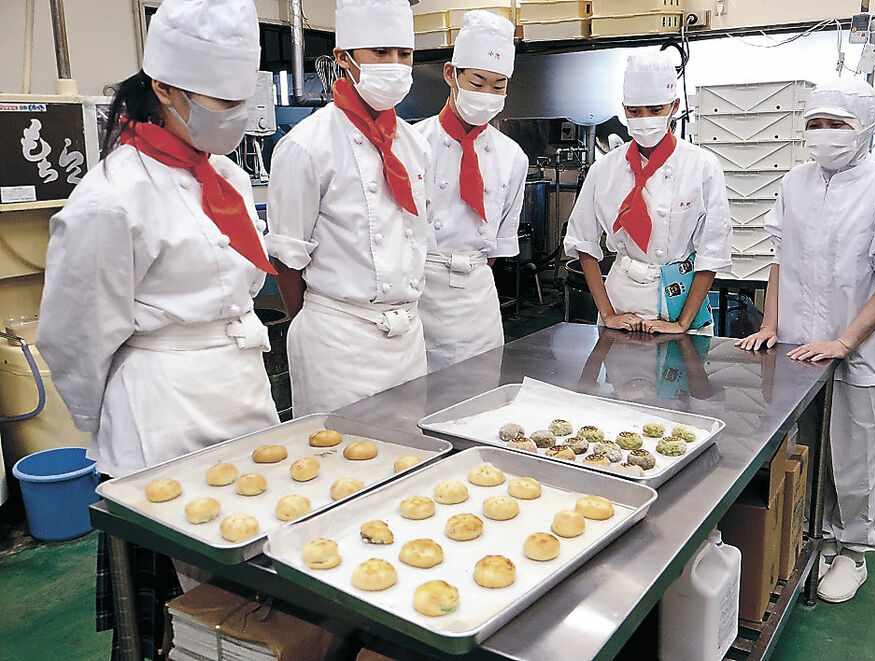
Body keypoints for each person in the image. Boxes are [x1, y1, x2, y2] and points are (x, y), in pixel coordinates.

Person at [36, 0, 279, 655]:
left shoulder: (224, 175)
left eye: (241, 96)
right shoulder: (112, 196)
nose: (233, 112)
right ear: (165, 87)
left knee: (255, 587)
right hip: (160, 416)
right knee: (181, 609)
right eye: (218, 98)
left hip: (243, 395)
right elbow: (72, 338)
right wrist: (108, 431)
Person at [737, 78, 875, 603]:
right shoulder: (795, 182)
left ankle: (853, 550)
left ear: (865, 127)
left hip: (860, 349)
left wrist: (845, 343)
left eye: (837, 125)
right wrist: (770, 325)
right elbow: (780, 257)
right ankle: (813, 534)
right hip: (799, 345)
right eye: (816, 125)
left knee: (854, 450)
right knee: (804, 443)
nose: (824, 136)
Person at [267, 0, 430, 415]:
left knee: (410, 458)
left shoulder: (414, 145)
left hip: (408, 336)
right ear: (344, 58)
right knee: (336, 462)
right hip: (338, 341)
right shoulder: (306, 146)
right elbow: (287, 259)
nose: (394, 65)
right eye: (380, 53)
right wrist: (324, 323)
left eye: (403, 54)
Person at [564, 51, 732, 335]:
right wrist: (607, 313)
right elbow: (583, 242)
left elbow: (711, 251)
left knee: (681, 378)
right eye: (634, 111)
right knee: (620, 377)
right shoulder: (603, 170)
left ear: (674, 106)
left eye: (655, 111)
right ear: (624, 109)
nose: (644, 120)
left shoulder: (702, 166)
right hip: (622, 298)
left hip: (679, 299)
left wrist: (682, 324)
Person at [414, 10, 528, 372]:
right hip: (419, 295)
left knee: (478, 396)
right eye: (477, 83)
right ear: (451, 74)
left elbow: (496, 248)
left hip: (477, 299)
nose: (487, 95)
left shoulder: (512, 156)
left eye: (498, 86)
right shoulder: (412, 144)